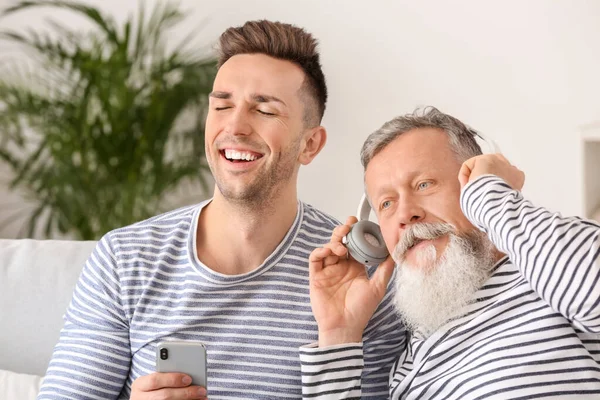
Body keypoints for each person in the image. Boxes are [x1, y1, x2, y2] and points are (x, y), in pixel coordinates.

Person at [36, 20, 403, 400]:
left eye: (265, 110)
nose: (235, 125)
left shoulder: (361, 278)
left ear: (310, 144)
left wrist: (339, 337)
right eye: (222, 105)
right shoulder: (125, 259)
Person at [301, 107, 600, 399]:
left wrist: (491, 195)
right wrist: (339, 336)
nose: (405, 214)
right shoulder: (407, 363)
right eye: (387, 204)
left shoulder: (549, 271)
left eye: (424, 184)